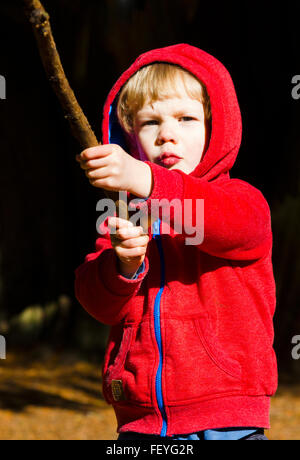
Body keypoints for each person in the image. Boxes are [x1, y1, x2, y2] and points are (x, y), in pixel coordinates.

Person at [74, 44, 277, 440]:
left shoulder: (242, 201)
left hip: (227, 417)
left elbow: (221, 224)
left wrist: (147, 181)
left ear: (214, 127)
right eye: (150, 122)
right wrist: (123, 268)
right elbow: (96, 302)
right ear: (129, 137)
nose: (167, 135)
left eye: (186, 118)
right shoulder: (123, 214)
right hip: (141, 420)